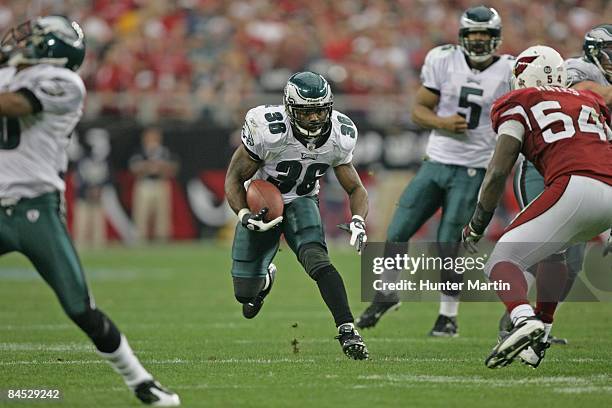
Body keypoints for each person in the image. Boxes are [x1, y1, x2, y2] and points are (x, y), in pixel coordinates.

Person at [0, 16, 179, 405]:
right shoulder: (9, 72)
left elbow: (14, 104)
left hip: (36, 209)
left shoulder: (65, 82)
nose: (21, 42)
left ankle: (141, 381)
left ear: (53, 49)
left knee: (80, 306)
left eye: (35, 38)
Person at [357, 5, 514, 337]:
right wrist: (442, 123)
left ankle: (448, 317)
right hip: (437, 160)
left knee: (448, 244)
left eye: (485, 35)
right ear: (462, 36)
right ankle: (386, 293)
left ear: (496, 38)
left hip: (474, 168)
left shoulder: (510, 71)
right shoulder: (443, 59)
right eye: (473, 34)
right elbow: (418, 110)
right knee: (398, 229)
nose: (479, 40)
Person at [462, 45, 612, 369]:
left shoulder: (518, 101)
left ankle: (522, 318)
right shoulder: (590, 99)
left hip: (575, 184)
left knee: (501, 262)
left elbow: (498, 171)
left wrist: (477, 223)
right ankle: (541, 333)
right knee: (556, 251)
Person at [224, 71, 370, 360]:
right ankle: (264, 281)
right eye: (306, 112)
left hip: (302, 200)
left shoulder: (340, 135)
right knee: (244, 295)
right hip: (262, 206)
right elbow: (234, 178)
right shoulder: (267, 130)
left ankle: (347, 328)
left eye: (320, 110)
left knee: (318, 260)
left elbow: (355, 187)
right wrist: (243, 214)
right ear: (290, 110)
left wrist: (358, 220)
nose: (315, 118)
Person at [498, 23, 612, 348]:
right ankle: (516, 320)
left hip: (583, 171)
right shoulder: (575, 69)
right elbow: (595, 93)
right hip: (542, 168)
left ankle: (539, 327)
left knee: (570, 262)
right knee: (544, 251)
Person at [129, 126, 178, 242]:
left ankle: (161, 239)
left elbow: (173, 169)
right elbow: (133, 168)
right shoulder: (140, 151)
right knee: (142, 214)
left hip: (160, 183)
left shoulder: (164, 151)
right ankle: (140, 239)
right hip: (145, 184)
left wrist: (160, 167)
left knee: (162, 215)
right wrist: (148, 166)